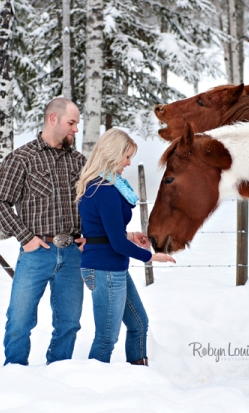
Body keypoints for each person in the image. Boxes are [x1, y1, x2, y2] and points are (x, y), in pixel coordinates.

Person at [0, 97, 86, 365]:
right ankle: (14, 374)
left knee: (69, 323)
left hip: (73, 256)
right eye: (71, 123)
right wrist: (25, 237)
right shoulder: (21, 158)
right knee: (19, 321)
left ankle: (58, 374)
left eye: (77, 124)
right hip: (36, 252)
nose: (75, 130)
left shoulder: (80, 162)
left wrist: (88, 234)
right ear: (52, 118)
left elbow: (90, 204)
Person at [76, 128, 174, 365]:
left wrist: (130, 235)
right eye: (127, 156)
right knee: (107, 338)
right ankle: (91, 387)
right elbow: (116, 243)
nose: (129, 163)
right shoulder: (105, 190)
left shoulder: (105, 186)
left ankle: (138, 376)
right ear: (113, 154)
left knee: (139, 323)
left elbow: (106, 232)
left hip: (111, 266)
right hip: (105, 269)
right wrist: (150, 257)